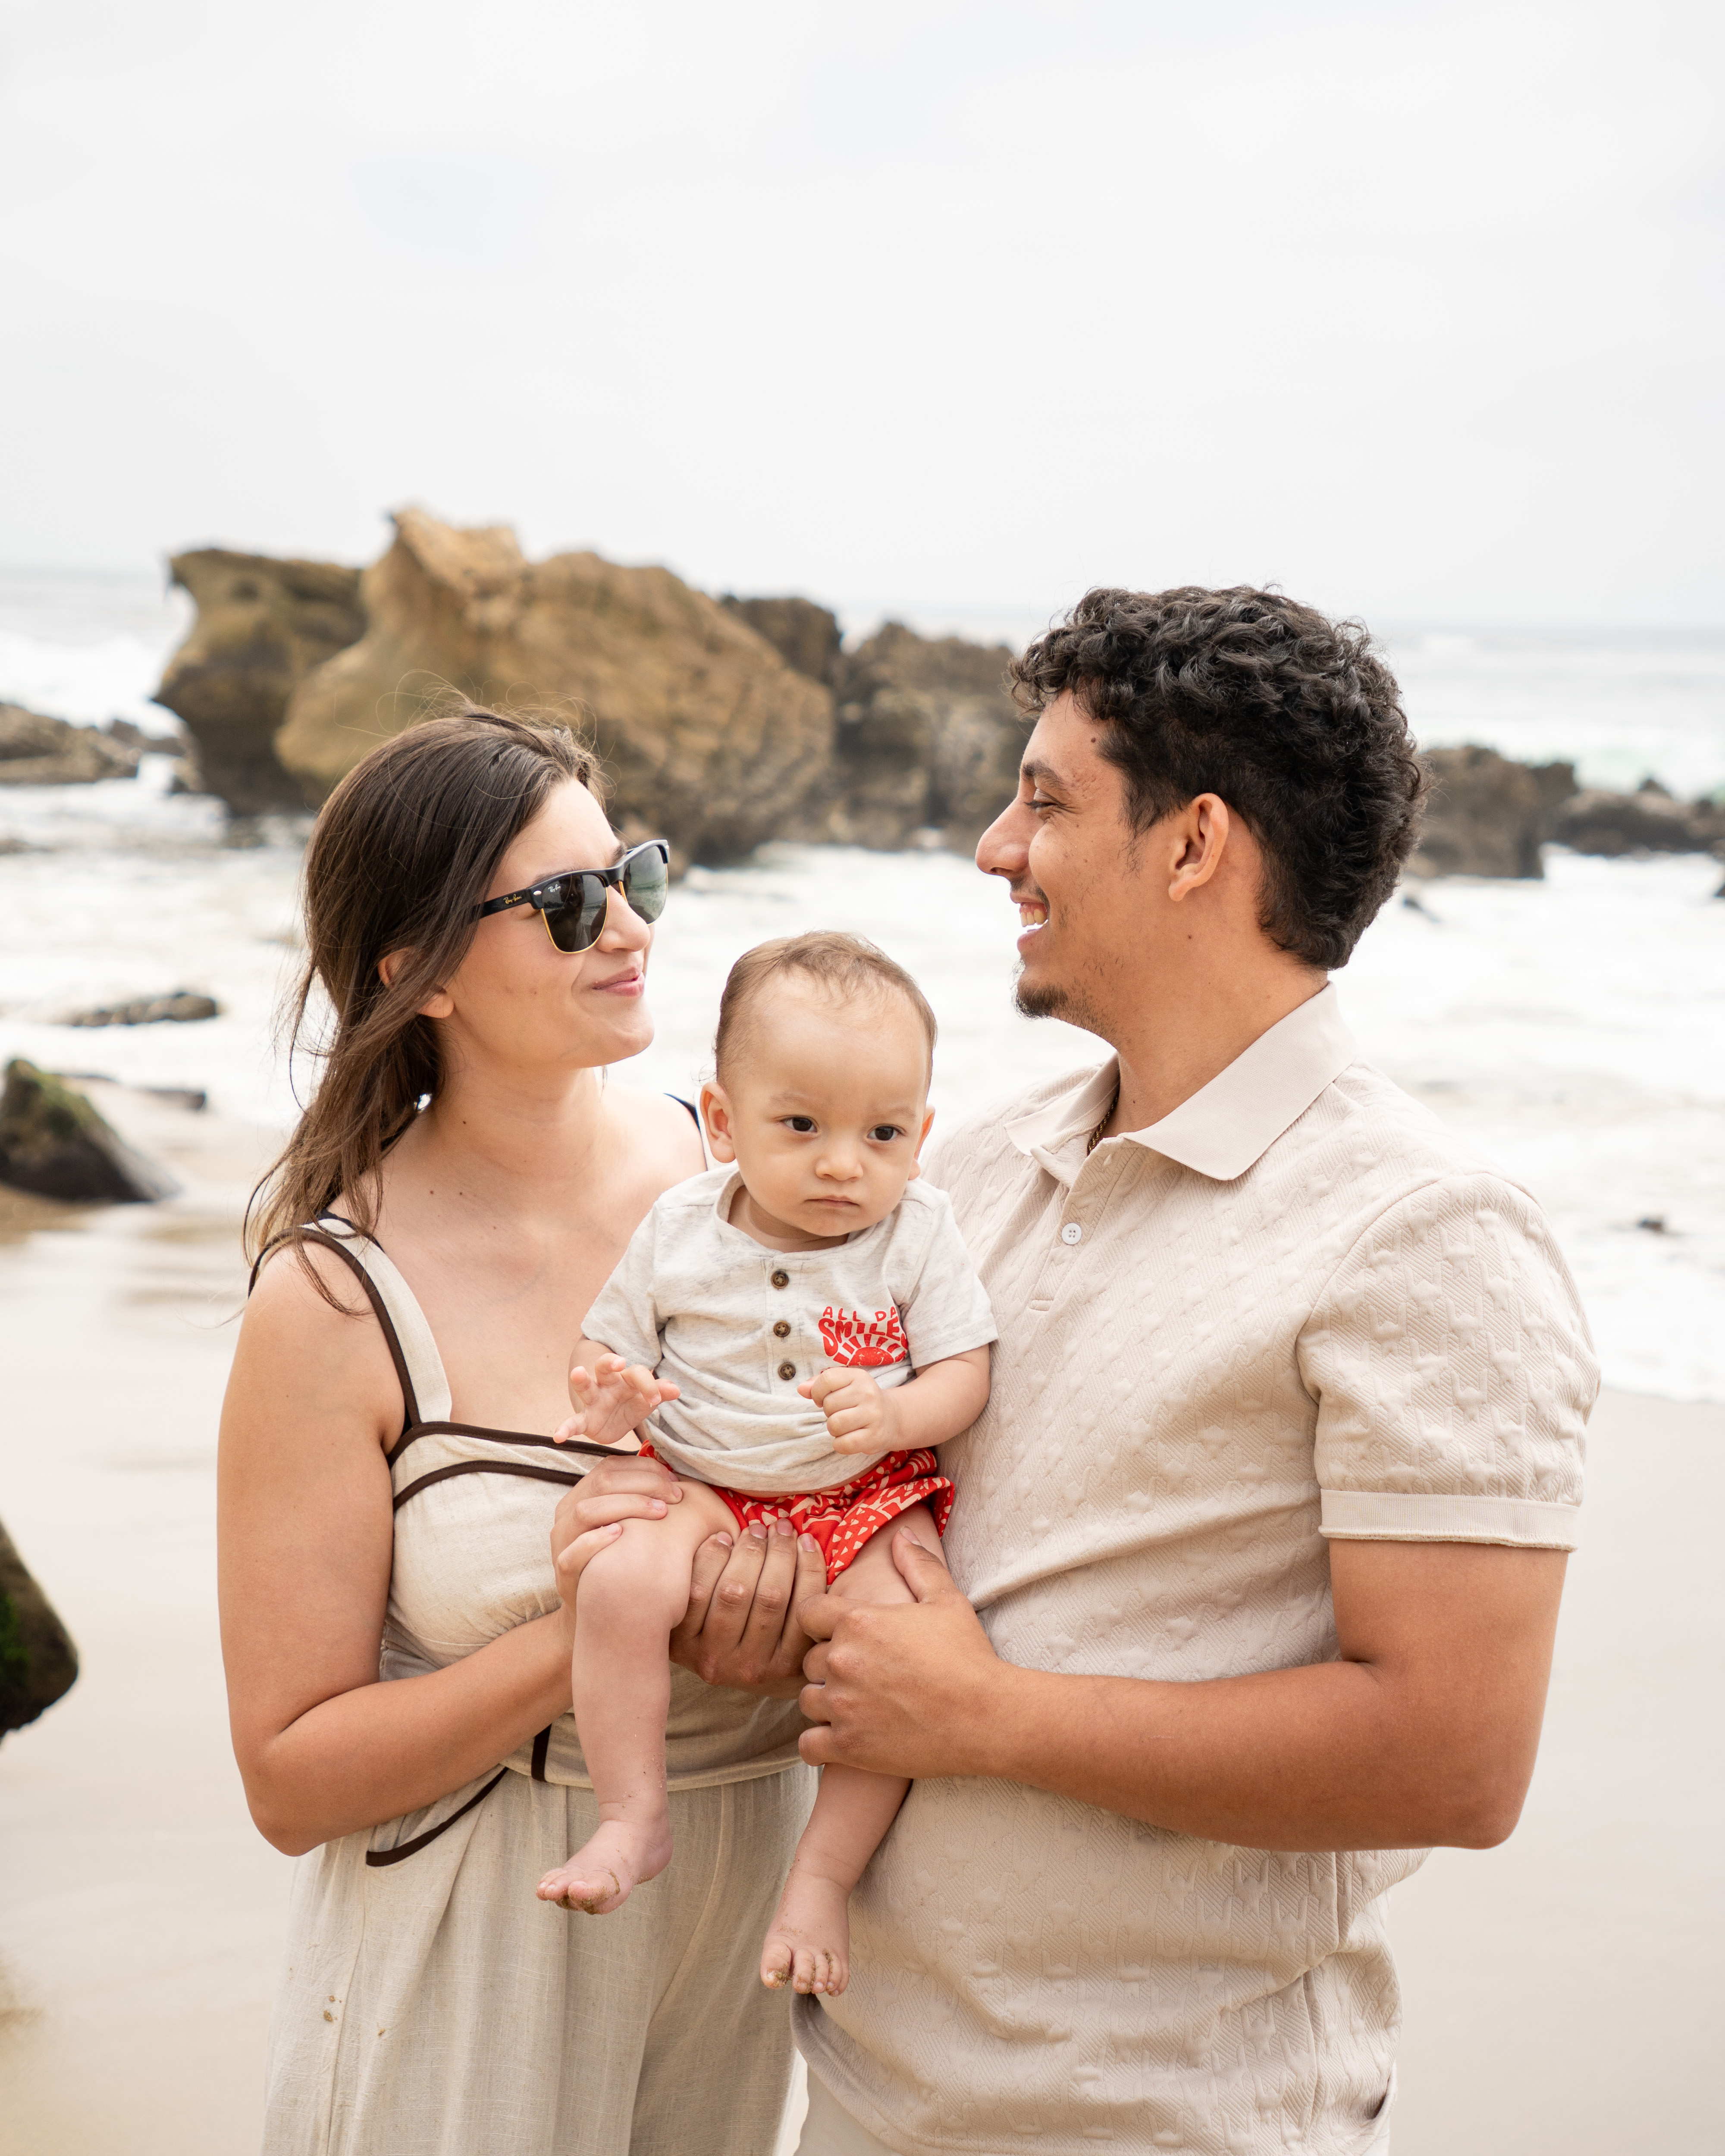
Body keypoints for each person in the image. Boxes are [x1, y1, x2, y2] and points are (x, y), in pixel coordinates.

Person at [565, 587, 1597, 2156]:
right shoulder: (960, 1174)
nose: (995, 847)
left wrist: (989, 1718)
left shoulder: (1429, 1235)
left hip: (1163, 2125)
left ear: (1192, 848)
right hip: (857, 2096)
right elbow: (878, 1533)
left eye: (1044, 802)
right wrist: (712, 1568)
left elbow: (1454, 1759)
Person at [218, 706, 828, 2156]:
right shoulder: (333, 1297)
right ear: (416, 973)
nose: (626, 929)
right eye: (565, 904)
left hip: (753, 1908)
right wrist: (602, 1630)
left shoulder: (763, 1176)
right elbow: (290, 1780)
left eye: (638, 879)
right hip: (470, 1932)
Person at [535, 933, 995, 2004]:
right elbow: (607, 1354)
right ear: (725, 1121)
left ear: (920, 1136)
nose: (844, 1162)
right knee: (617, 1580)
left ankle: (820, 1882)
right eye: (802, 1126)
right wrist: (606, 1401)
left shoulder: (916, 1230)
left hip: (857, 1492)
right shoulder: (681, 1224)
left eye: (882, 1133)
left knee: (903, 1659)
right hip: (701, 1480)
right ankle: (631, 1815)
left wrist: (891, 1411)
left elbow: (965, 1372)